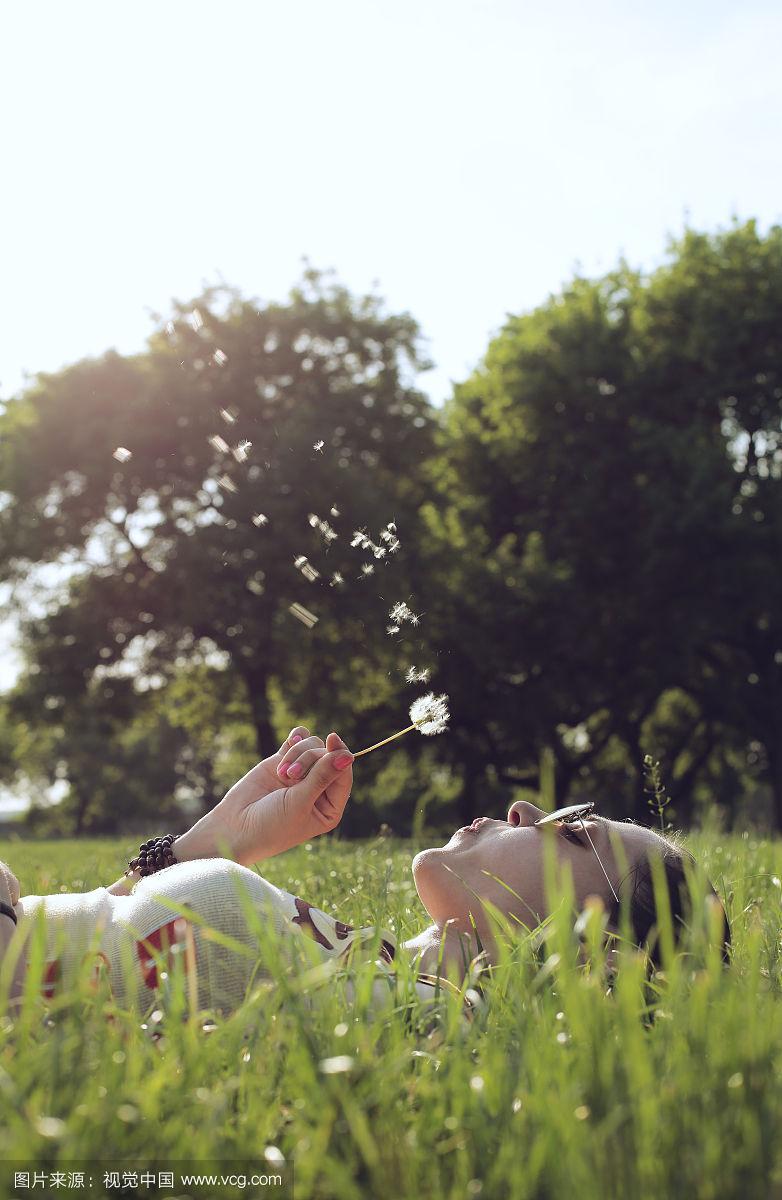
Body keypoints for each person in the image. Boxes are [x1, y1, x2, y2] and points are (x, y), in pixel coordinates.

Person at [0, 727, 730, 1019]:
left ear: (594, 947)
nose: (523, 808)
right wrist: (216, 842)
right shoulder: (362, 959)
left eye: (572, 830)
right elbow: (90, 943)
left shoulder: (421, 1021)